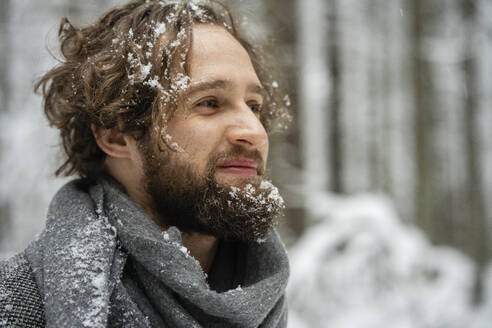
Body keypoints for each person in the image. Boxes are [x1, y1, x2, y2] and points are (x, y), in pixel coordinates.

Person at [0, 0, 292, 327]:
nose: (254, 132)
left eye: (254, 106)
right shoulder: (16, 306)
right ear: (114, 136)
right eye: (209, 103)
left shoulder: (267, 305)